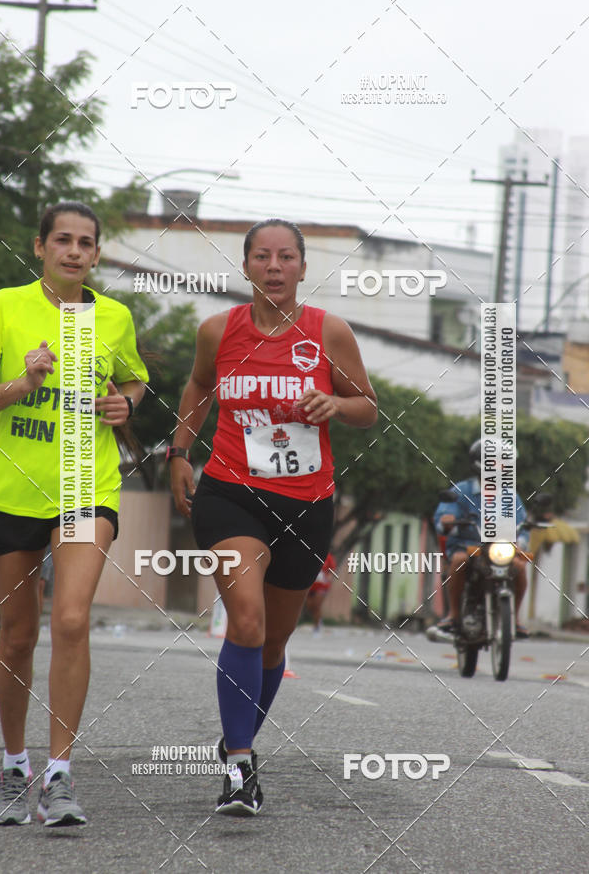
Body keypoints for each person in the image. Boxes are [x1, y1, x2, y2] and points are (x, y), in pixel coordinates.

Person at [170, 218, 377, 816]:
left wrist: (336, 402)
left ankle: (239, 741)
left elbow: (367, 408)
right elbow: (199, 387)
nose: (275, 267)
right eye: (262, 256)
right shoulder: (219, 330)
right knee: (248, 619)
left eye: (287, 257)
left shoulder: (328, 332)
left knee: (273, 642)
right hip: (230, 491)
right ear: (247, 266)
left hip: (307, 502)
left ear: (303, 268)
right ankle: (239, 766)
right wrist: (181, 452)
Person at [0, 202, 148, 826]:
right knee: (19, 636)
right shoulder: (4, 307)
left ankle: (58, 778)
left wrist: (124, 405)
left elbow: (132, 382)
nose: (74, 251)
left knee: (73, 618)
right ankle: (12, 766)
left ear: (97, 255)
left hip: (88, 483)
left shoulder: (112, 316)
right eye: (63, 240)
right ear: (40, 247)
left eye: (86, 243)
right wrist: (21, 386)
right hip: (12, 490)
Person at [434, 439, 529, 638]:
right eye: (496, 461)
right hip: (466, 547)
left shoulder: (511, 496)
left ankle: (515, 618)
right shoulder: (461, 491)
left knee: (519, 567)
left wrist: (522, 539)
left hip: (498, 550)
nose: (501, 466)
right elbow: (442, 518)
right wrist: (448, 520)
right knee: (459, 561)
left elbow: (523, 525)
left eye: (505, 462)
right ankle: (453, 615)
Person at [305, 552, 336, 633]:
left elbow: (332, 570)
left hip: (322, 586)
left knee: (316, 605)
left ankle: (317, 626)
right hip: (310, 585)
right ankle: (318, 620)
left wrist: (328, 578)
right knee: (309, 606)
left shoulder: (328, 556)